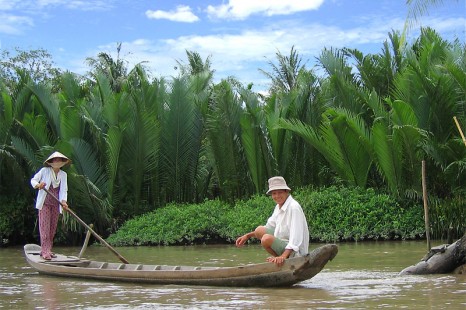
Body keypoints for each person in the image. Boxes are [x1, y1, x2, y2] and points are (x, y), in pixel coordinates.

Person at [235, 176, 309, 266]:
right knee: (259, 230)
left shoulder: (294, 208)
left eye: (280, 192)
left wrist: (283, 256)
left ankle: (283, 259)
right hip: (284, 244)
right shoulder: (278, 207)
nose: (277, 196)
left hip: (296, 252)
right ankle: (279, 258)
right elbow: (268, 227)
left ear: (286, 192)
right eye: (274, 193)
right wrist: (247, 236)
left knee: (266, 239)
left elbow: (296, 238)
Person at [30, 151, 71, 260]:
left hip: (55, 204)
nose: (57, 162)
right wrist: (38, 185)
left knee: (52, 228)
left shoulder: (63, 175)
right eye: (55, 160)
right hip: (45, 203)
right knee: (45, 227)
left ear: (62, 162)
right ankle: (44, 251)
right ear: (51, 162)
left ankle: (48, 249)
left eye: (59, 160)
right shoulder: (45, 171)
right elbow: (33, 180)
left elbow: (64, 190)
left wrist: (64, 202)